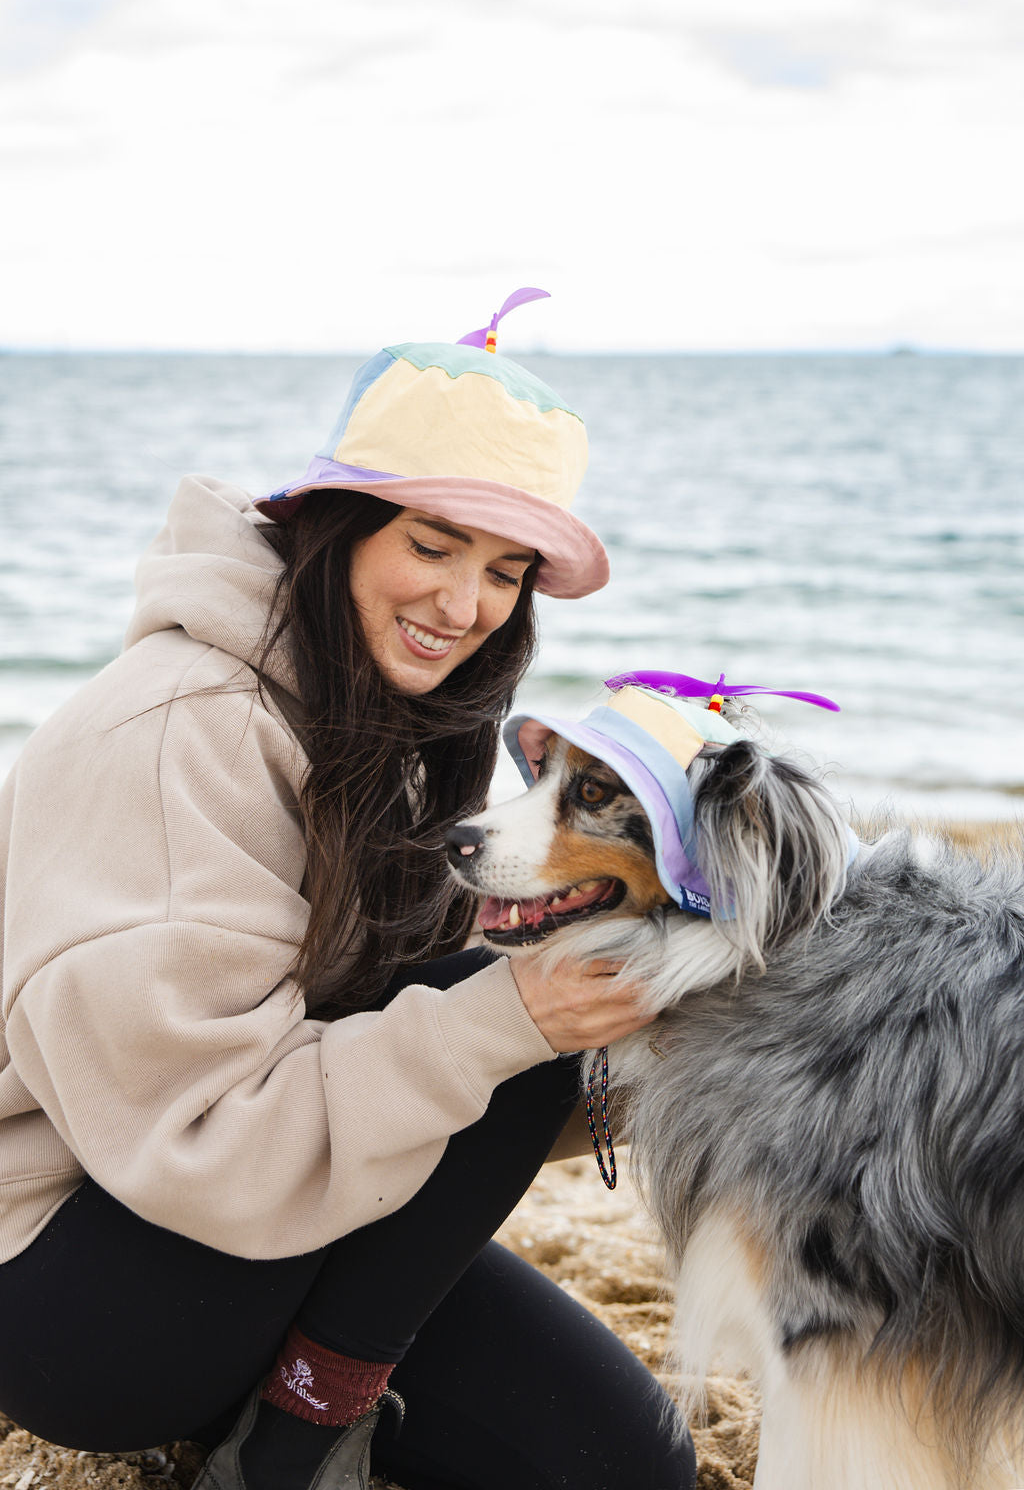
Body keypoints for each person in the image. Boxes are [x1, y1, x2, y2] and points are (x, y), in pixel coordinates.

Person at [0, 304, 698, 1490]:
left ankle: (315, 1399)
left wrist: (662, 993)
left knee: (624, 1466)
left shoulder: (389, 722)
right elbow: (202, 1139)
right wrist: (512, 1019)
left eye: (505, 571)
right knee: (505, 1006)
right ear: (336, 528)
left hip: (279, 1216)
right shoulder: (181, 731)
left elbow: (448, 1066)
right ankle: (291, 1450)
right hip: (75, 1281)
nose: (465, 606)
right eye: (433, 546)